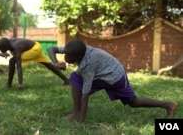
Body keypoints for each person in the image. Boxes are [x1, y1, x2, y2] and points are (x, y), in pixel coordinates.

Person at [47, 39, 178, 122]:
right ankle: (169, 105)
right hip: (110, 74)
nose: (66, 56)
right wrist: (56, 62)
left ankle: (77, 114)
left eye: (69, 56)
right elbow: (50, 49)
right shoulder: (77, 48)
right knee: (133, 102)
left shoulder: (88, 64)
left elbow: (85, 95)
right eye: (65, 53)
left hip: (114, 77)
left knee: (75, 78)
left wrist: (82, 118)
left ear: (79, 56)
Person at [0, 37, 69, 90]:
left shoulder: (16, 47)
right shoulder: (5, 43)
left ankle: (9, 84)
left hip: (35, 50)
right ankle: (66, 80)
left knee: (12, 61)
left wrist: (20, 85)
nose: (2, 51)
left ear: (6, 47)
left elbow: (19, 67)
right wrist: (1, 54)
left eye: (3, 50)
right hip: (36, 46)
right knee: (48, 65)